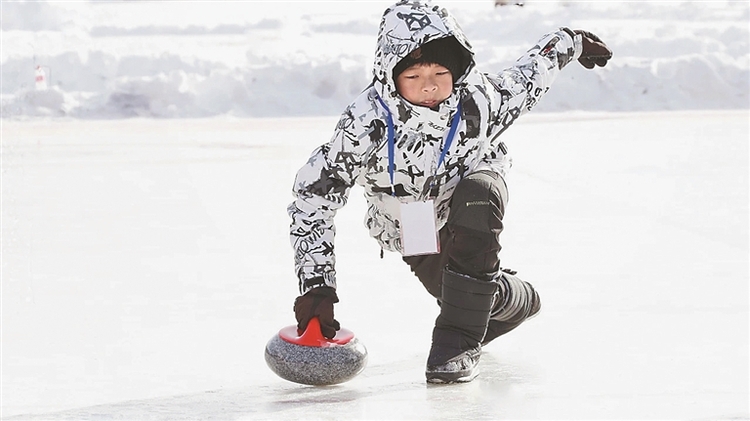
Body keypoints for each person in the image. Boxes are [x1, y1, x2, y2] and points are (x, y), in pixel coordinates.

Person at [288, 0, 612, 384]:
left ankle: (455, 343)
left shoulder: (479, 100)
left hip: (473, 186)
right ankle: (516, 297)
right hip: (410, 220)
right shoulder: (365, 125)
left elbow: (527, 79)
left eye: (441, 72)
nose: (429, 86)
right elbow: (313, 198)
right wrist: (317, 287)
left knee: (478, 197)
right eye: (413, 76)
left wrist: (568, 43)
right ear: (389, 76)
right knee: (465, 298)